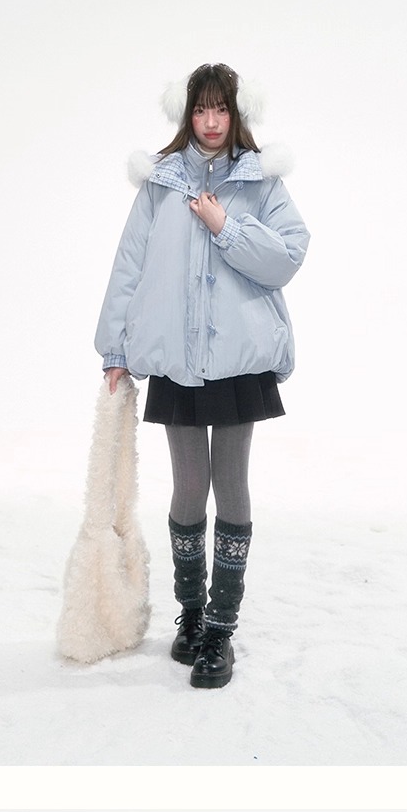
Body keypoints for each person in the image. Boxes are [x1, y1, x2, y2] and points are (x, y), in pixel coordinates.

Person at [95, 62, 309, 686]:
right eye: (200, 109)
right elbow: (129, 265)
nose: (211, 121)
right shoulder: (160, 184)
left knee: (230, 482)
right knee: (189, 486)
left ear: (236, 113)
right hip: (176, 359)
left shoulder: (261, 181)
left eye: (221, 109)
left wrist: (226, 227)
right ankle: (191, 616)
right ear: (186, 113)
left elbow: (287, 256)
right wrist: (114, 348)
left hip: (239, 361)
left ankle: (221, 629)